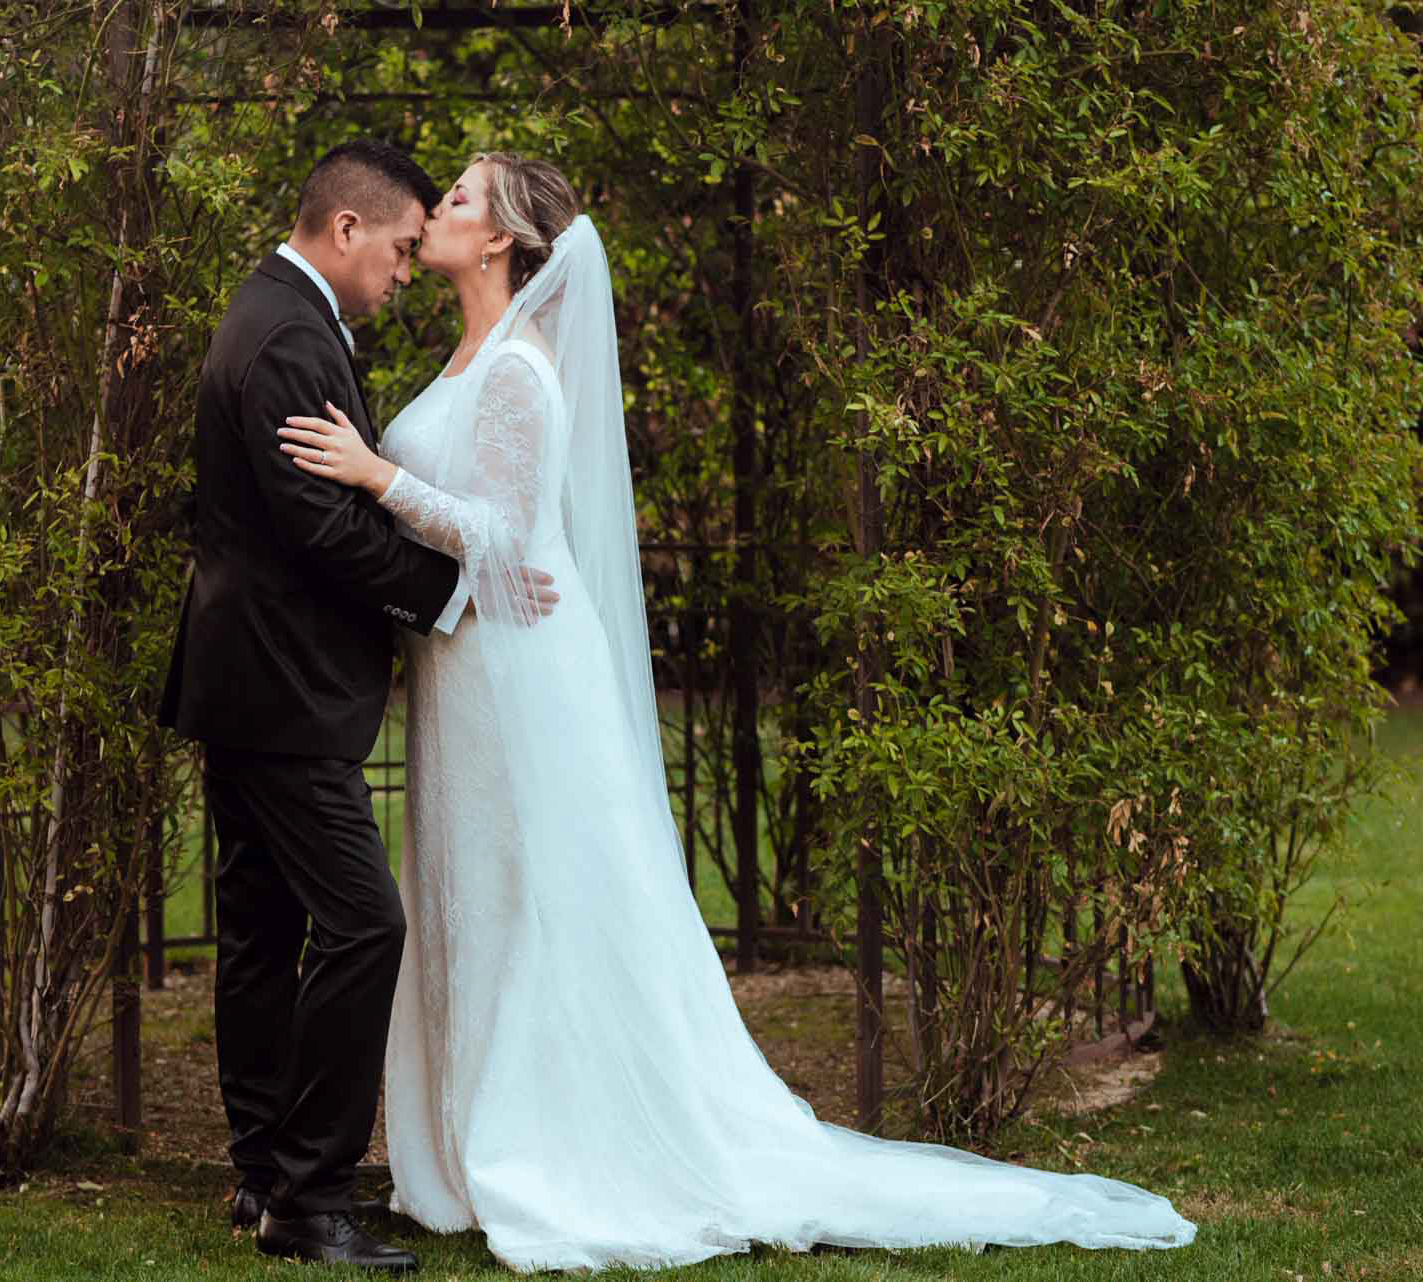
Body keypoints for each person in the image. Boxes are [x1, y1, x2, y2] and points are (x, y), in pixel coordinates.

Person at [275, 152, 1198, 1273]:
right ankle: (465, 1150)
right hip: (469, 671)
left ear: (506, 240)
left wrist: (376, 478)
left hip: (522, 682)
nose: (434, 220)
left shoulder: (518, 366)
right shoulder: (468, 354)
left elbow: (511, 537)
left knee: (540, 910)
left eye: (459, 201)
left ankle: (556, 1145)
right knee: (476, 896)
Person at [157, 138, 557, 1275]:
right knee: (364, 922)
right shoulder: (288, 334)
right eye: (390, 246)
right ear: (343, 232)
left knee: (262, 926)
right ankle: (310, 1197)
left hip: (249, 682)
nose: (399, 268)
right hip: (279, 690)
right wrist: (450, 596)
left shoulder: (280, 313)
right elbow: (320, 528)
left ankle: (262, 1171)